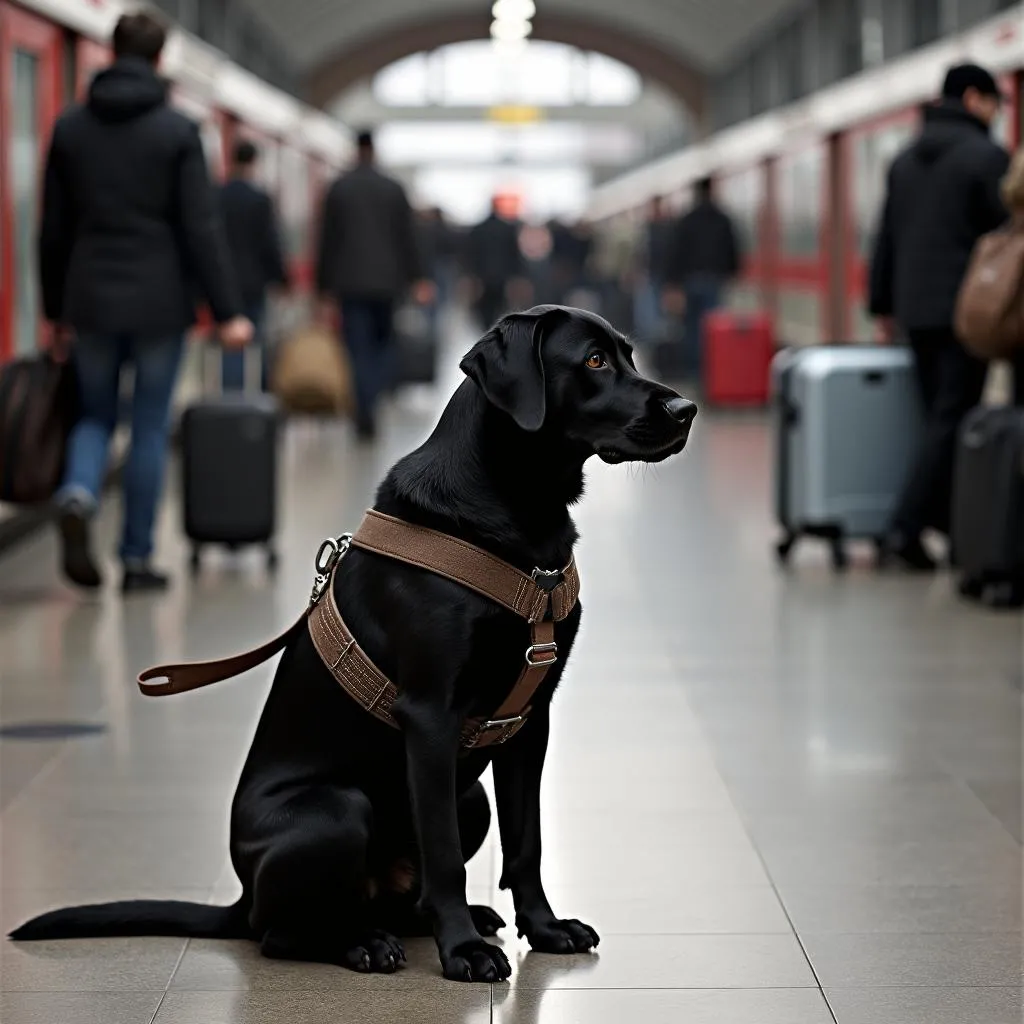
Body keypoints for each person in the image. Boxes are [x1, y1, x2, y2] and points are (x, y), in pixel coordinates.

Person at [39, 11, 251, 594]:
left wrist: (55, 310)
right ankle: (136, 559)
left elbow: (53, 229)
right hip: (160, 301)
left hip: (90, 299)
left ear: (112, 50)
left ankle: (79, 493)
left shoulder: (71, 127)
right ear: (160, 59)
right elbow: (200, 228)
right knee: (151, 426)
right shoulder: (178, 131)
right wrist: (228, 310)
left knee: (94, 415)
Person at [869, 63, 1010, 571]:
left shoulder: (904, 160)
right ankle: (902, 531)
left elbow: (885, 238)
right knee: (950, 420)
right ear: (974, 98)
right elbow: (1008, 239)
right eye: (996, 103)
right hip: (968, 312)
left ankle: (955, 531)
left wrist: (882, 306)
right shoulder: (987, 158)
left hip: (914, 311)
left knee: (938, 420)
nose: (997, 115)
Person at [316, 129, 428, 440]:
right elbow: (408, 238)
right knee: (383, 345)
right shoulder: (393, 189)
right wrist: (417, 277)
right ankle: (373, 398)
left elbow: (327, 240)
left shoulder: (338, 189)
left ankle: (363, 406)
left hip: (349, 283)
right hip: (388, 284)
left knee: (356, 346)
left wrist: (322, 287)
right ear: (374, 150)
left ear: (356, 149)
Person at [219, 139, 288, 391]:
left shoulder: (217, 195)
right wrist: (281, 278)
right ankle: (251, 393)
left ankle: (229, 392)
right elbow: (270, 242)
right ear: (253, 162)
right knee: (254, 338)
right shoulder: (260, 199)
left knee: (228, 337)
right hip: (254, 281)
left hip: (223, 280)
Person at [665, 178, 741, 379]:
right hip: (715, 280)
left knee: (691, 327)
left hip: (690, 281)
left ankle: (694, 370)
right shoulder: (722, 218)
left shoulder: (687, 219)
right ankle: (712, 371)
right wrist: (732, 273)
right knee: (713, 327)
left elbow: (676, 252)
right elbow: (732, 248)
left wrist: (673, 283)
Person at [466, 198, 529, 329]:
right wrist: (519, 275)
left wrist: (471, 274)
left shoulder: (478, 229)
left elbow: (470, 254)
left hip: (482, 277)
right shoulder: (507, 229)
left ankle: (487, 331)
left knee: (484, 308)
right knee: (500, 307)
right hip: (503, 276)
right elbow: (514, 254)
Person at [634, 196, 674, 341]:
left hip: (663, 273)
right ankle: (654, 341)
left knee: (661, 309)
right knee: (649, 310)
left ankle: (661, 342)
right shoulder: (650, 228)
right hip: (651, 273)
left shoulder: (665, 227)